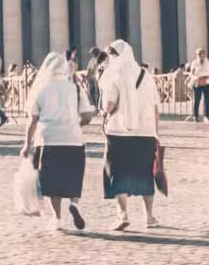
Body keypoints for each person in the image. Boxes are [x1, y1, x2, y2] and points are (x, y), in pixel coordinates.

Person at [20, 52, 87, 233]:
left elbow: (32, 120)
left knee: (52, 180)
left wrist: (27, 144)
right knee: (73, 176)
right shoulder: (75, 88)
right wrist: (76, 123)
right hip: (73, 138)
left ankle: (57, 219)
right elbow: (88, 113)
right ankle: (74, 204)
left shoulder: (40, 89)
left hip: (48, 139)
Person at [100, 39, 162, 231]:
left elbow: (108, 105)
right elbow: (155, 107)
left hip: (119, 131)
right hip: (146, 132)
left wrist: (103, 113)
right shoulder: (146, 74)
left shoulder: (114, 75)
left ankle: (123, 214)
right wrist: (156, 132)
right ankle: (149, 216)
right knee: (145, 174)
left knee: (118, 173)